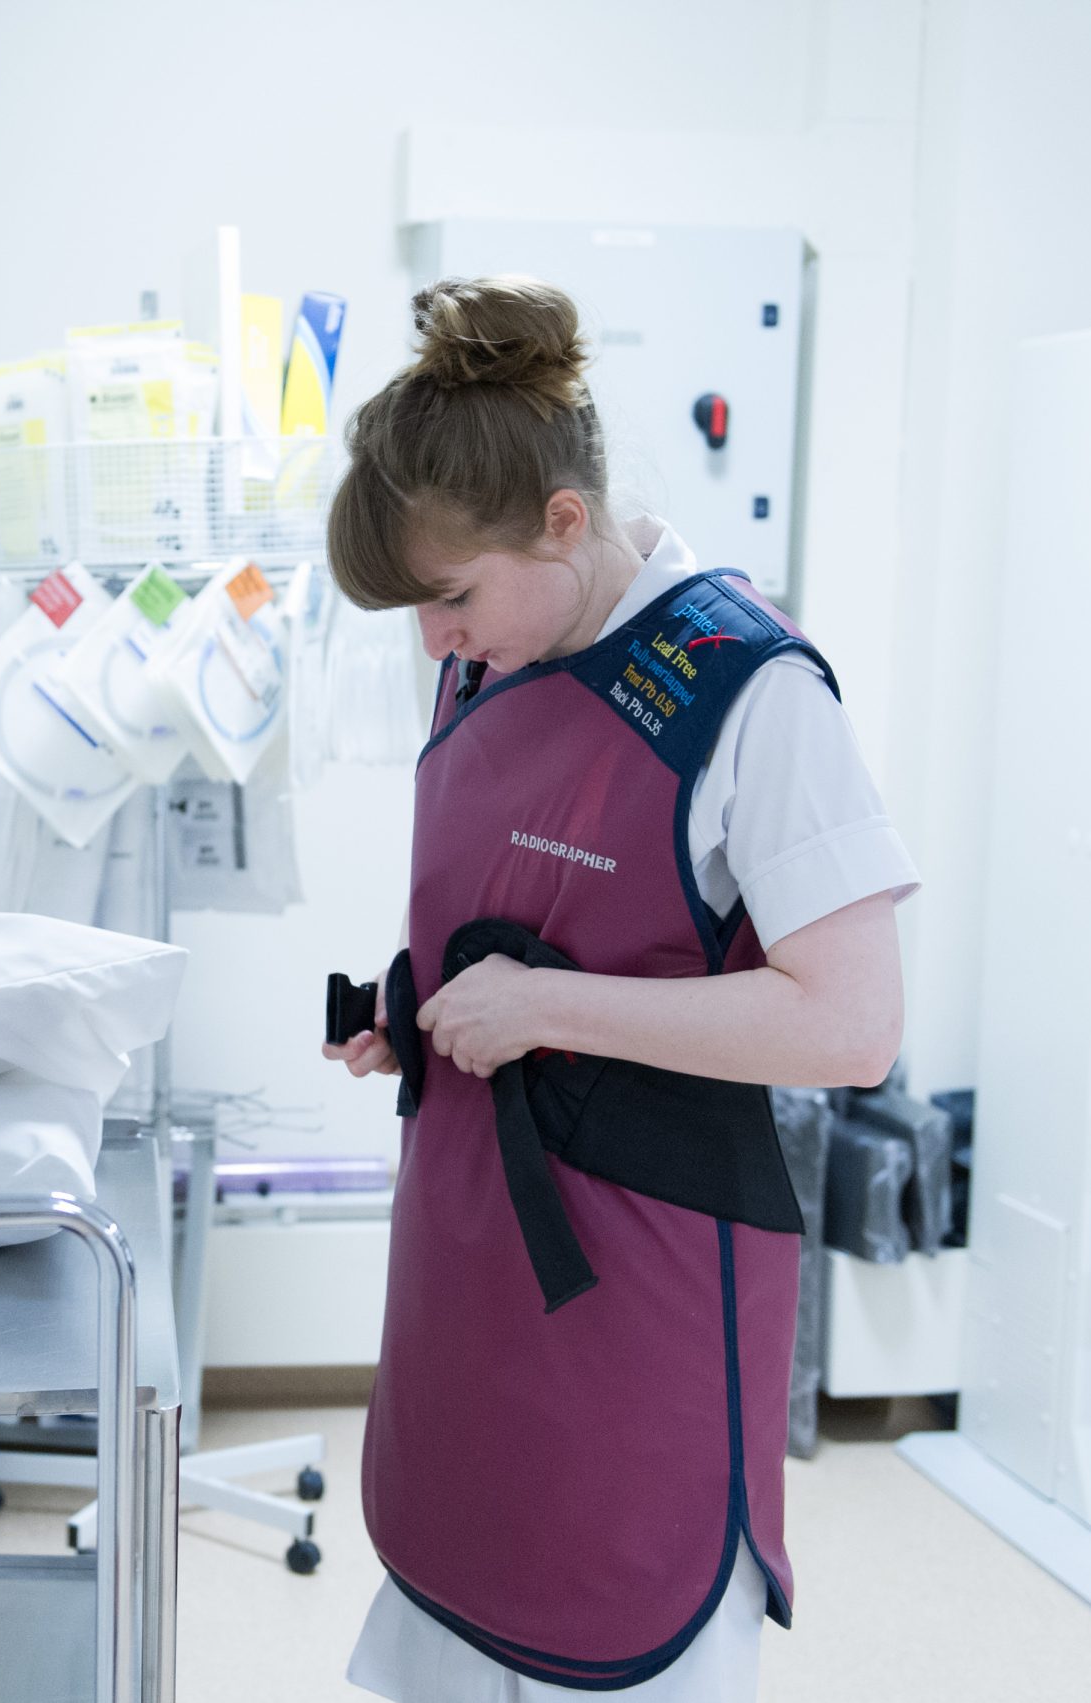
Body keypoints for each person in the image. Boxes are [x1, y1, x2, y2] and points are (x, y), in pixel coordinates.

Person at [321, 275, 919, 1702]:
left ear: (565, 523)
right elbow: (560, 916)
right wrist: (425, 1008)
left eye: (451, 597)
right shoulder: (489, 658)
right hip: (469, 1257)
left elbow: (851, 1027)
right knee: (462, 1602)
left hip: (643, 1285)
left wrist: (541, 1010)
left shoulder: (750, 693)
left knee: (615, 1602)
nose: (435, 642)